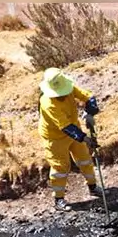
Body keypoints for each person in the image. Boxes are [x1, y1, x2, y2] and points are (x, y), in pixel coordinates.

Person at [38, 68, 103, 211]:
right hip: (55, 138)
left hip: (74, 129)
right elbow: (65, 127)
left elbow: (88, 96)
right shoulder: (48, 104)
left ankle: (93, 187)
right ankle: (58, 199)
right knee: (60, 167)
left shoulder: (69, 88)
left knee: (84, 158)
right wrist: (84, 138)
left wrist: (90, 112)